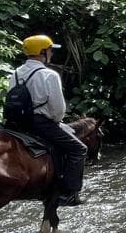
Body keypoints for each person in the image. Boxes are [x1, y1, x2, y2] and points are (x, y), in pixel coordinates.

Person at [8, 35, 88, 206]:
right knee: (79, 149)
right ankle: (70, 194)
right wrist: (56, 121)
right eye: (50, 50)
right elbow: (58, 109)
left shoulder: (15, 73)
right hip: (41, 123)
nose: (51, 53)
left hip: (17, 123)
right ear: (43, 52)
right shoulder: (48, 74)